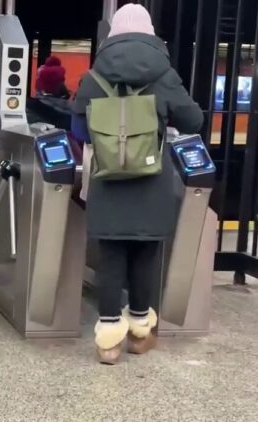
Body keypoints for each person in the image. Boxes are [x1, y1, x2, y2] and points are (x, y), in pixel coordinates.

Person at [70, 4, 204, 364]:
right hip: (151, 180)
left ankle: (108, 341)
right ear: (150, 34)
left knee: (111, 256)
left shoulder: (94, 75)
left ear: (112, 35)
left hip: (107, 180)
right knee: (145, 254)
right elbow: (194, 120)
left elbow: (79, 129)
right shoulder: (164, 72)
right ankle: (140, 333)